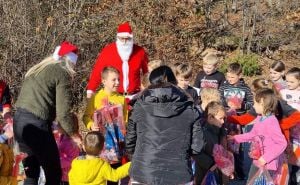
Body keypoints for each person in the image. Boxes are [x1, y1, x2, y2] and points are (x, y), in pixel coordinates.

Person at [13, 41, 82, 185]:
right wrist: (74, 134)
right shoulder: (62, 73)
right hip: (37, 125)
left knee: (31, 171)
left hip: (19, 121)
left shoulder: (38, 68)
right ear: (70, 61)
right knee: (53, 172)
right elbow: (63, 113)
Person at [126, 65, 204, 185]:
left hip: (143, 172)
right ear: (174, 81)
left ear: (151, 83)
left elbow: (130, 143)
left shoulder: (139, 107)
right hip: (179, 173)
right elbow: (197, 146)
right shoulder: (189, 108)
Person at [228, 88, 287, 184]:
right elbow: (253, 134)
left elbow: (281, 143)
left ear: (263, 103)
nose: (253, 106)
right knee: (251, 182)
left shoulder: (271, 121)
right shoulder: (260, 118)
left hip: (267, 164)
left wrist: (266, 158)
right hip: (257, 160)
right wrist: (235, 138)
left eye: (255, 103)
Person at [83, 66, 127, 185]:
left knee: (113, 176)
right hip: (99, 145)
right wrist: (91, 125)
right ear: (104, 81)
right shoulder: (95, 97)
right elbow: (86, 117)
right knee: (98, 175)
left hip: (115, 145)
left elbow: (126, 120)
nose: (117, 83)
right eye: (114, 80)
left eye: (118, 79)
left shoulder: (121, 99)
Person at [87, 22, 149, 98]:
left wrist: (148, 90)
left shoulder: (140, 52)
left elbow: (147, 72)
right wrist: (90, 90)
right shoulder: (108, 51)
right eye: (122, 38)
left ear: (131, 38)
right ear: (118, 37)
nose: (125, 41)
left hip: (135, 96)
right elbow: (97, 72)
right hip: (114, 97)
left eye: (128, 39)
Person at [194, 101, 227, 184]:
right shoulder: (201, 133)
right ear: (210, 118)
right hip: (202, 172)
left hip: (212, 170)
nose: (223, 121)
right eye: (221, 118)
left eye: (224, 118)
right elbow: (196, 153)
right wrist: (212, 164)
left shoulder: (216, 129)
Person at [54, 114, 81, 185]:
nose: (57, 126)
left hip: (68, 176)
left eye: (59, 125)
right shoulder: (63, 136)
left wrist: (56, 162)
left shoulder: (73, 143)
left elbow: (71, 160)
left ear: (65, 128)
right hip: (63, 174)